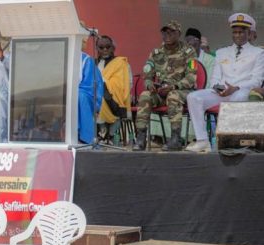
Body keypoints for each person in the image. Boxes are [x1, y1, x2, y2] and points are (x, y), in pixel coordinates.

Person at [186, 13, 264, 152]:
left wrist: (236, 87)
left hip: (242, 91)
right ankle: (202, 140)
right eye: (235, 32)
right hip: (222, 92)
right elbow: (215, 77)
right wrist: (218, 88)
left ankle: (231, 141)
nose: (237, 35)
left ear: (248, 33)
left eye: (241, 32)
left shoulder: (258, 53)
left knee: (238, 98)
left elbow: (257, 80)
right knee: (193, 97)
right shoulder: (222, 52)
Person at [133, 20, 197, 152]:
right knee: (145, 95)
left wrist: (173, 86)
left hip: (182, 91)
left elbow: (191, 77)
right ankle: (141, 138)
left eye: (171, 32)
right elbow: (147, 73)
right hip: (161, 91)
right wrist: (149, 84)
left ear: (178, 34)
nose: (167, 35)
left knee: (173, 96)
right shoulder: (156, 53)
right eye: (164, 32)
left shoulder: (189, 52)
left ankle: (175, 139)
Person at [95, 35, 130, 144]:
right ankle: (102, 133)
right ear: (97, 49)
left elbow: (127, 83)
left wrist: (105, 84)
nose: (105, 50)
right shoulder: (93, 63)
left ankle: (109, 135)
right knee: (95, 99)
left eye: (108, 47)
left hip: (117, 96)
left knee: (105, 98)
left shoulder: (121, 63)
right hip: (97, 95)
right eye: (101, 47)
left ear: (113, 48)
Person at [78, 36, 104, 145]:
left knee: (79, 95)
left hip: (84, 95)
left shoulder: (86, 60)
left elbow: (90, 87)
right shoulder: (58, 58)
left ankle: (83, 136)